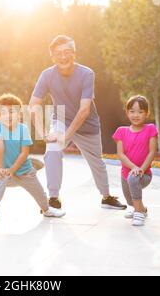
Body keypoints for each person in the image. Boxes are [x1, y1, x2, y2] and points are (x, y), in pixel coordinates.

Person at [29, 35, 126, 210]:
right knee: (52, 150)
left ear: (74, 53)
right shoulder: (47, 75)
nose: (63, 57)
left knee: (96, 161)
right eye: (58, 53)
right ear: (52, 57)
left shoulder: (86, 74)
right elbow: (33, 105)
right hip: (61, 120)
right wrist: (43, 133)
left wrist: (66, 136)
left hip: (87, 125)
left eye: (67, 52)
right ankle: (53, 198)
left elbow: (84, 110)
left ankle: (106, 196)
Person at [0, 93, 66, 223]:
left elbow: (24, 153)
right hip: (6, 168)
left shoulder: (23, 129)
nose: (8, 116)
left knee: (39, 192)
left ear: (19, 114)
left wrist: (13, 170)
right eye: (4, 113)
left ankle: (47, 209)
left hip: (24, 170)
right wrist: (0, 168)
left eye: (12, 112)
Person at [112, 95, 158, 226]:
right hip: (125, 175)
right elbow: (120, 154)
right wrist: (133, 167)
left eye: (140, 111)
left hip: (144, 175)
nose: (136, 115)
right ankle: (141, 209)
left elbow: (152, 152)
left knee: (133, 178)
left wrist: (141, 169)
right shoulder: (121, 131)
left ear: (147, 113)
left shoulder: (150, 129)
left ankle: (138, 213)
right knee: (130, 200)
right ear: (127, 112)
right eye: (132, 111)